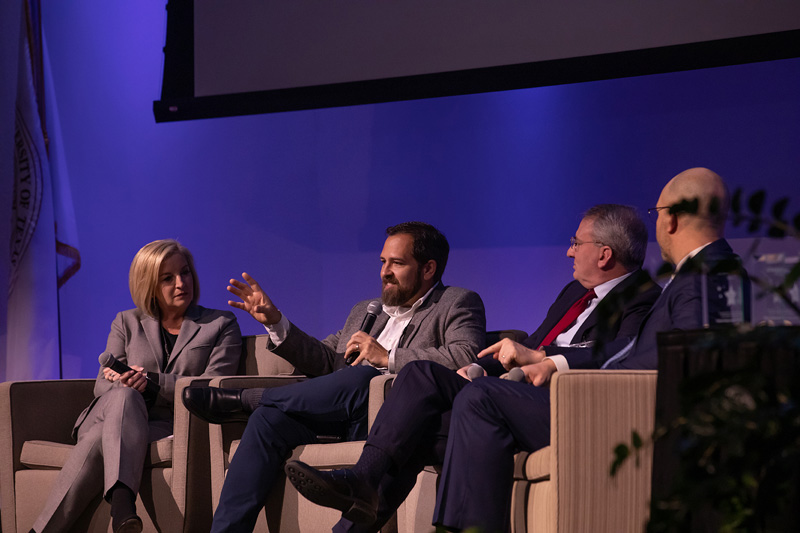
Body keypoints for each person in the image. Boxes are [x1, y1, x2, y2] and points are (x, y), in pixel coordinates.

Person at [284, 168, 751, 532]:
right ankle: (363, 490)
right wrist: (482, 364)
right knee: (424, 380)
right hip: (548, 389)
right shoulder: (686, 277)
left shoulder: (695, 278)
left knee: (467, 405)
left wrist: (552, 363)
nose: (569, 252)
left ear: (669, 217)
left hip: (594, 401)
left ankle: (380, 505)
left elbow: (670, 363)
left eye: (576, 243)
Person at [181, 221, 486, 533]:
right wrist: (276, 322)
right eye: (383, 262)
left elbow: (464, 354)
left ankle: (246, 400)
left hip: (391, 421)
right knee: (267, 420)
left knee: (362, 376)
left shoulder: (456, 302)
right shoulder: (366, 310)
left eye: (397, 263)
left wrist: (388, 357)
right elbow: (327, 360)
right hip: (339, 413)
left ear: (428, 269)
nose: (385, 272)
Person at [31, 239, 242, 533]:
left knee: (98, 439)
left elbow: (211, 387)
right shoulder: (126, 322)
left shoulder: (220, 324)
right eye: (167, 278)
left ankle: (42, 530)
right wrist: (121, 381)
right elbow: (100, 387)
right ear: (149, 285)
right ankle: (123, 508)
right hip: (108, 413)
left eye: (185, 273)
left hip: (166, 425)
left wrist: (151, 382)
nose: (181, 283)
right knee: (124, 396)